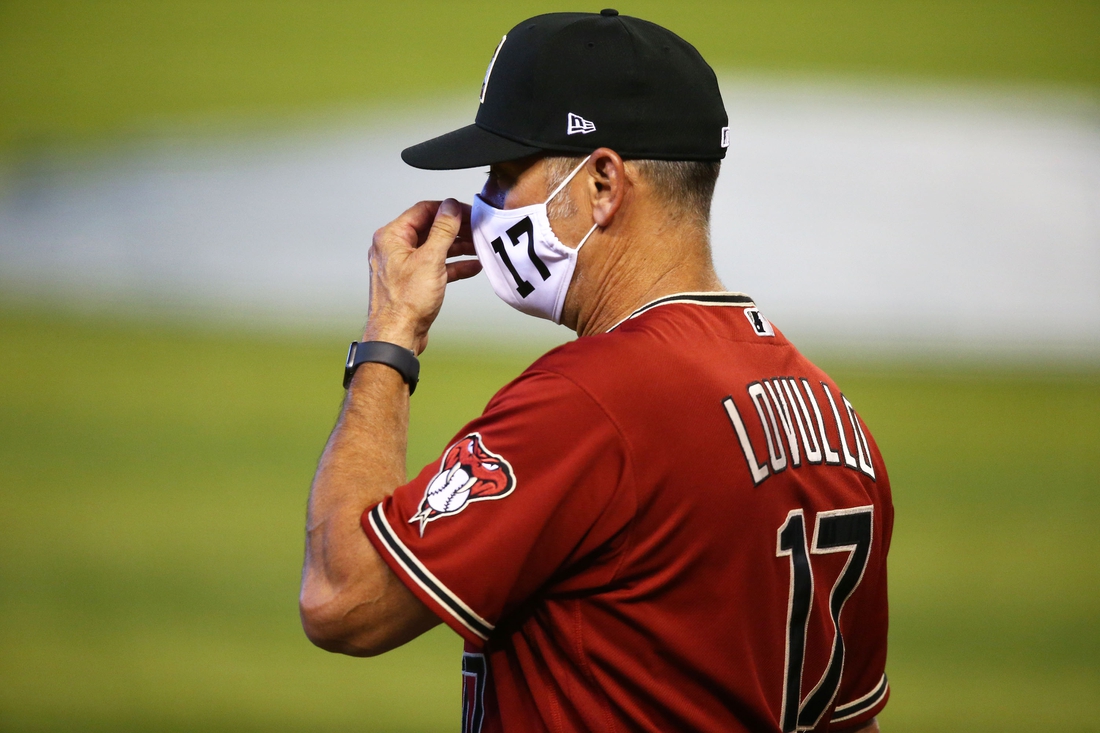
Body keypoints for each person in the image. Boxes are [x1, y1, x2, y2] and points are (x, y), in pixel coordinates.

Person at [299, 10, 892, 733]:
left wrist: (390, 338)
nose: (481, 206)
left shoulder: (592, 401)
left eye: (504, 172)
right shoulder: (835, 418)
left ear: (604, 183)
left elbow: (342, 596)